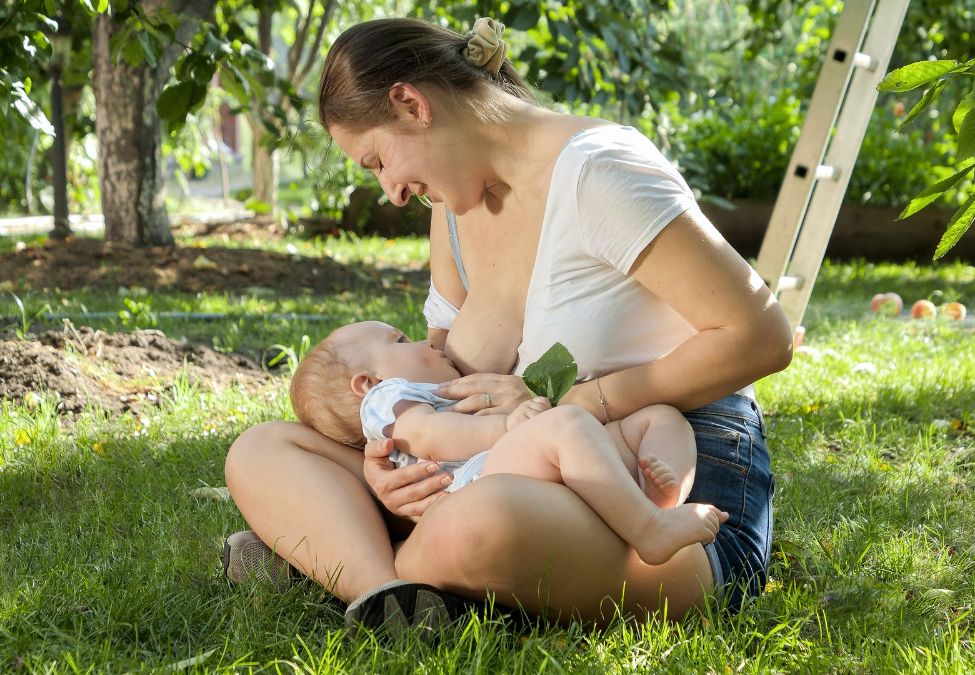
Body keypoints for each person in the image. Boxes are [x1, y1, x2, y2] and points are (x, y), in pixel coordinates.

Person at [223, 16, 792, 629]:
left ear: (411, 103)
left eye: (377, 161)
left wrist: (588, 401)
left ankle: (344, 553)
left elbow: (761, 336)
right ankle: (385, 589)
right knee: (264, 448)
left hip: (655, 477)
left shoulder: (601, 174)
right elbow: (437, 380)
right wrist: (387, 471)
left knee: (480, 523)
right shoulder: (453, 204)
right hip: (510, 465)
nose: (390, 191)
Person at [288, 319, 728, 569]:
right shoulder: (386, 401)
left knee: (659, 419)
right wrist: (507, 428)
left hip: (519, 463)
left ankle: (652, 504)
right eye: (400, 341)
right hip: (482, 480)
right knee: (567, 425)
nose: (423, 341)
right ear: (368, 382)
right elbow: (431, 437)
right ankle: (649, 532)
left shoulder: (415, 391)